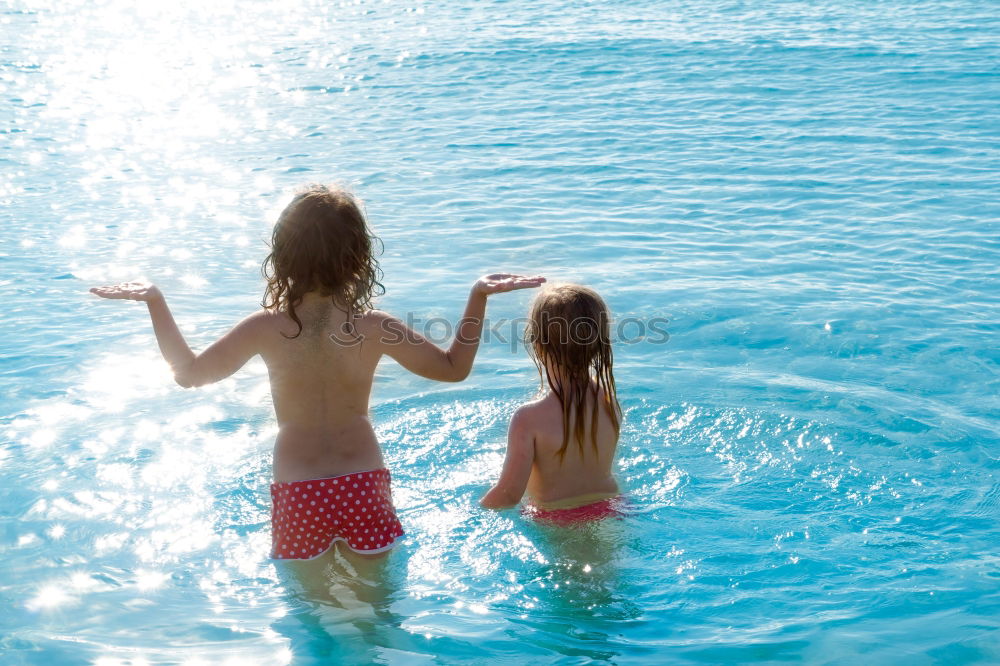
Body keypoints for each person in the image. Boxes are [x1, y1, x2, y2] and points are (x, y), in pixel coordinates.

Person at [90, 183, 544, 559]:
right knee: (378, 616)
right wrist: (478, 297)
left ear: (283, 255)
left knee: (310, 614)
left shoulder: (265, 328)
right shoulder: (374, 326)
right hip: (363, 480)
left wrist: (155, 301)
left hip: (299, 487)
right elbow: (453, 369)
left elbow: (189, 374)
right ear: (359, 256)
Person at [480, 284, 623, 525]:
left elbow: (509, 495)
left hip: (556, 520)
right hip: (613, 507)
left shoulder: (528, 419)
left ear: (538, 346)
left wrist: (476, 511)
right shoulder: (609, 400)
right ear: (599, 344)